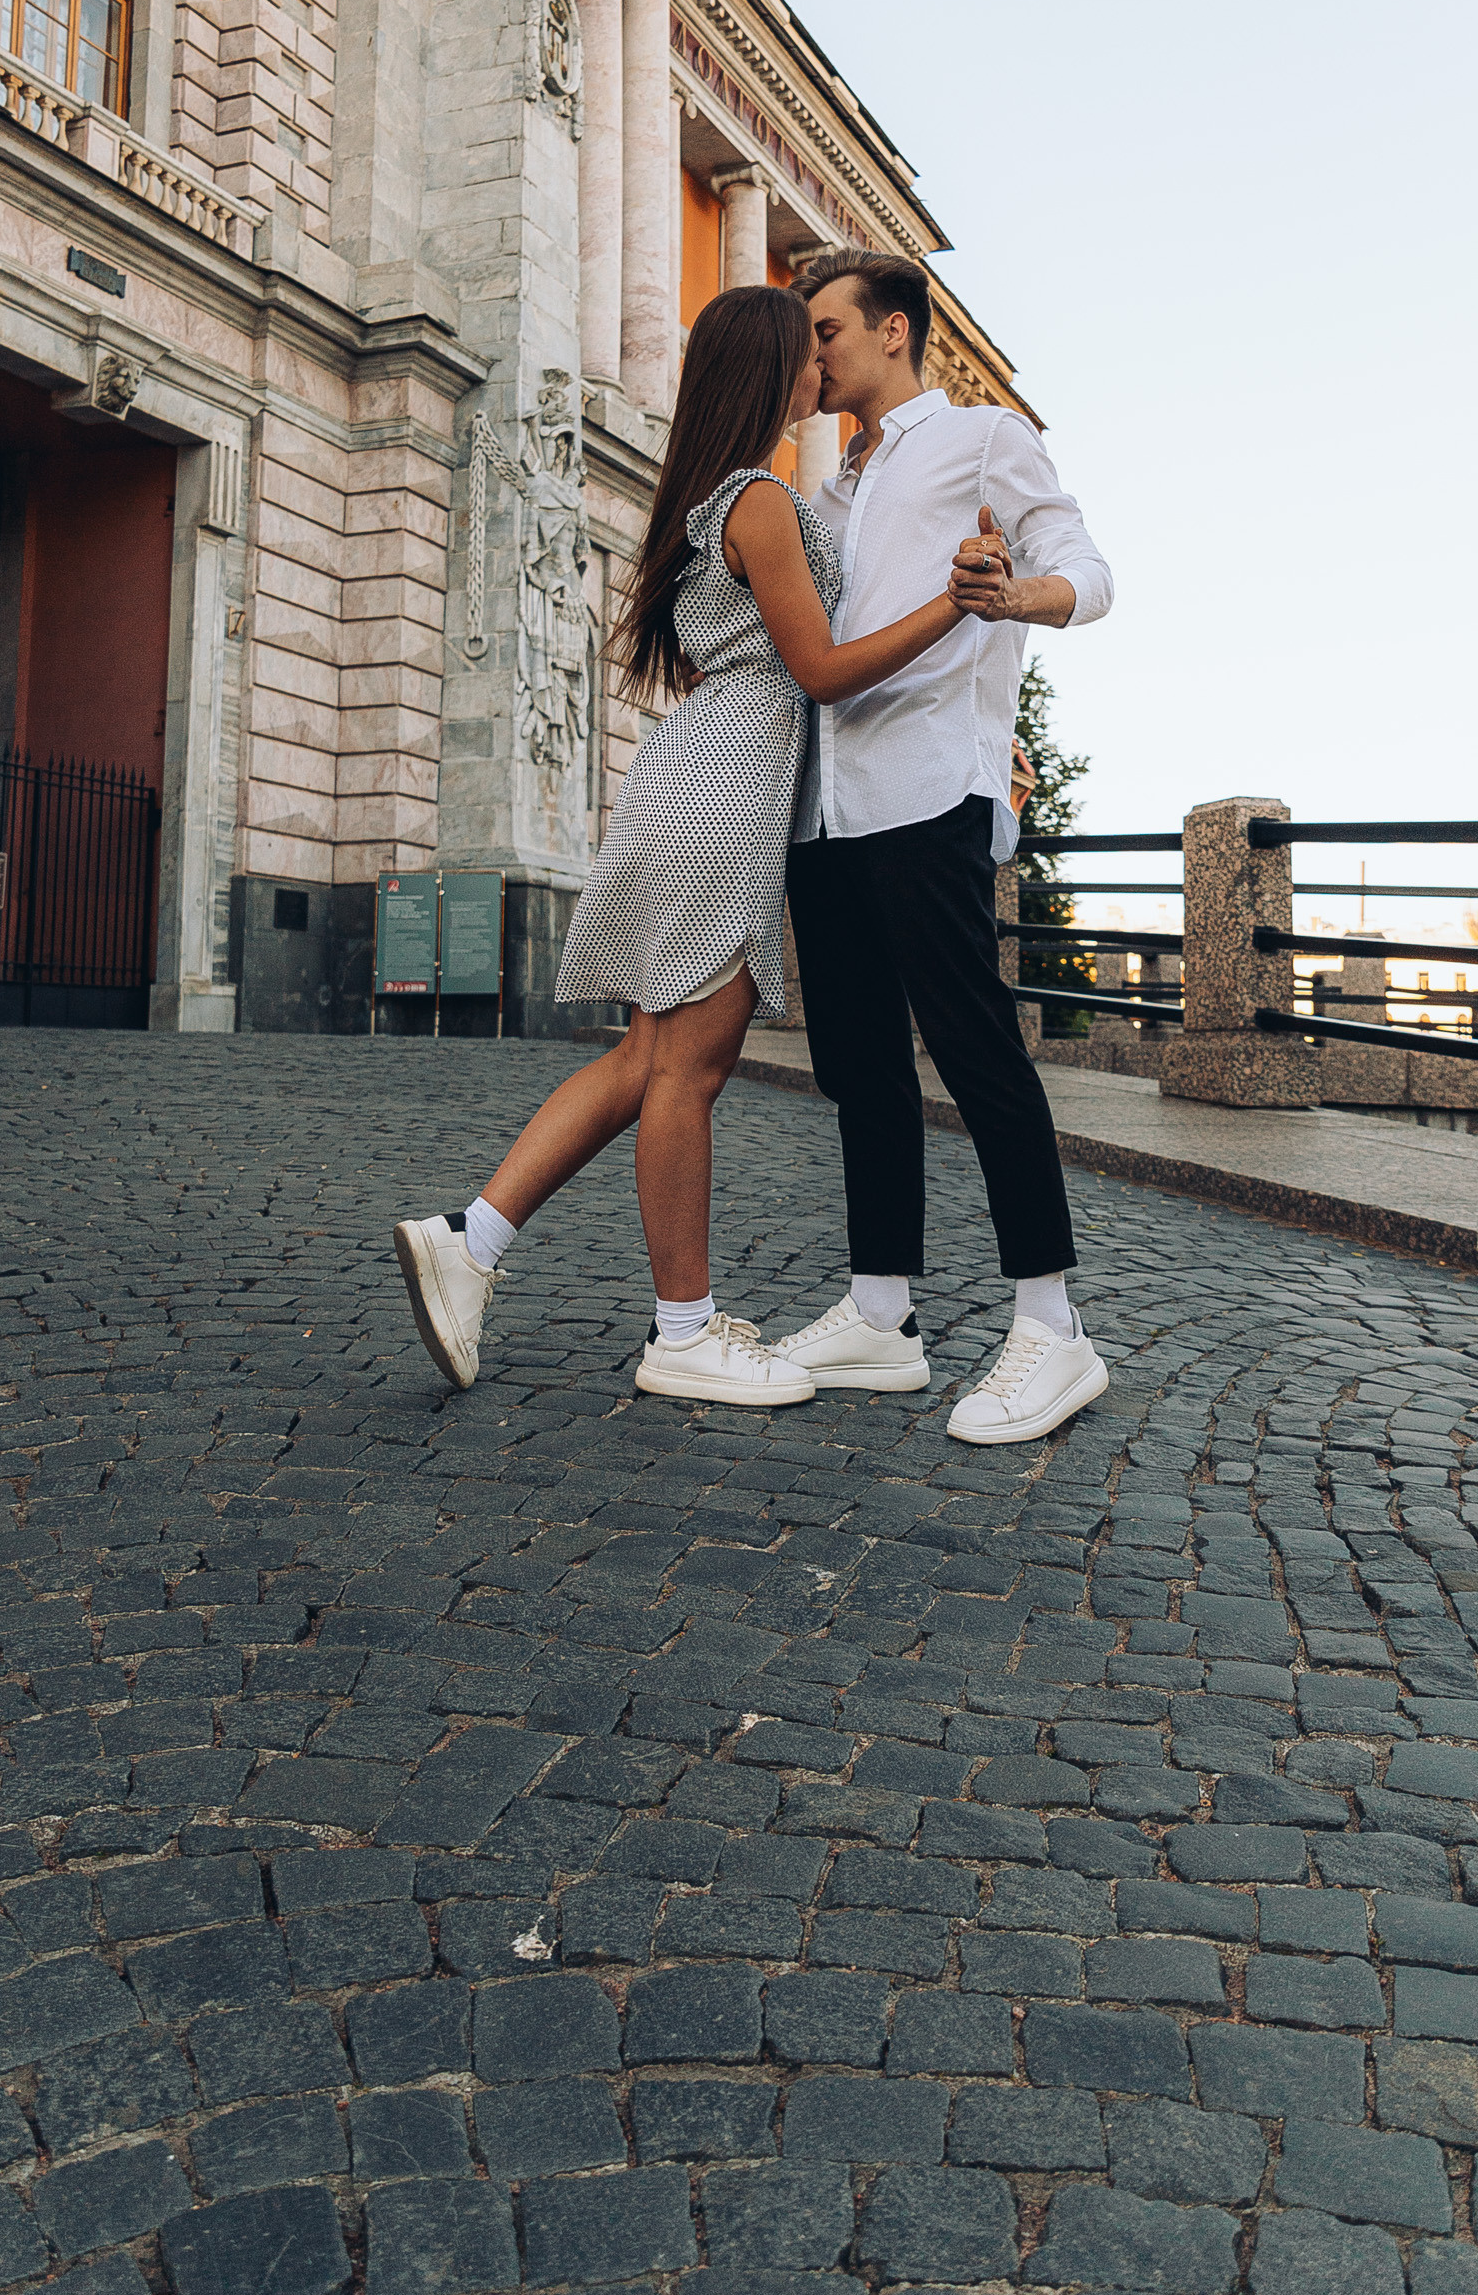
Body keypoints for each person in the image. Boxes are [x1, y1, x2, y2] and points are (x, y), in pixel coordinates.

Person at [392, 281, 983, 1409]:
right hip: (726, 785)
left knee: (642, 1061)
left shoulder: (716, 495)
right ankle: (681, 1331)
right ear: (773, 369)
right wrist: (953, 609)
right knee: (689, 1069)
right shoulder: (758, 499)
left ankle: (468, 1243)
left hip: (695, 771)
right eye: (805, 345)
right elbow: (818, 670)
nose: (821, 359)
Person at [774, 248, 1117, 1444]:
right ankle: (880, 1314)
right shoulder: (831, 483)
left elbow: (1088, 568)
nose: (813, 351)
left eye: (827, 329)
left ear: (896, 332)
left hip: (930, 786)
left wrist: (1015, 599)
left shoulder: (981, 438)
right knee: (858, 1065)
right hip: (827, 802)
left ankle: (1055, 1327)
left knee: (975, 1052)